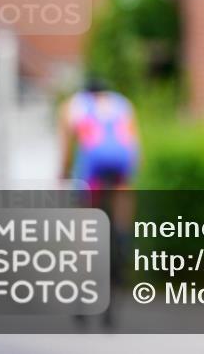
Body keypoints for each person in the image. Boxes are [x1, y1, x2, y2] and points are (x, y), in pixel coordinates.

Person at [59, 76, 140, 327]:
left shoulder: (73, 105)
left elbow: (66, 150)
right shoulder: (122, 105)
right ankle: (123, 241)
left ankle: (82, 296)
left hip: (92, 171)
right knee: (122, 207)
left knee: (83, 231)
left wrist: (63, 174)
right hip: (120, 169)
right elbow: (135, 146)